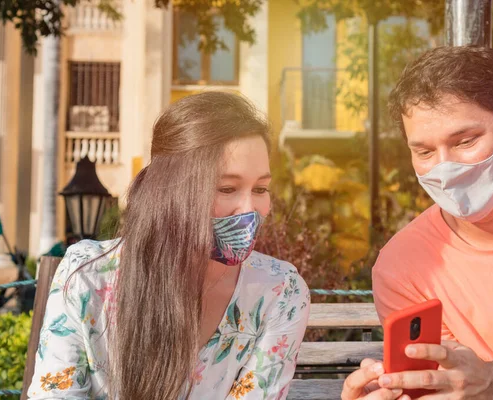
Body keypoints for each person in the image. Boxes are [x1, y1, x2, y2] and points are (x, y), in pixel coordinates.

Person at [342, 46, 493, 400]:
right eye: (425, 152)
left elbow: (483, 384)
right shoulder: (404, 266)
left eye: (465, 141)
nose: (446, 169)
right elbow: (451, 386)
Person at [27, 91, 310, 400]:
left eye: (260, 189)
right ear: (171, 190)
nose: (249, 208)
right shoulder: (88, 276)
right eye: (227, 188)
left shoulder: (281, 291)